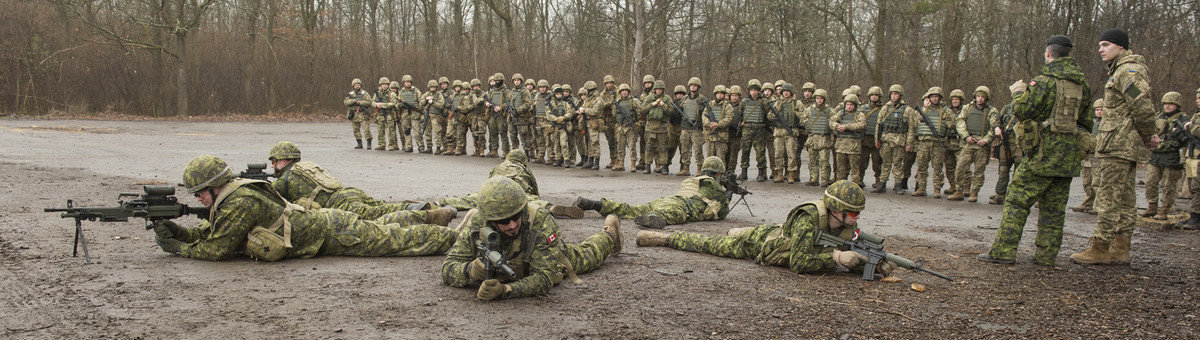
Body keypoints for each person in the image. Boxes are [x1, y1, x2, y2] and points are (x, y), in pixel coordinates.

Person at [150, 155, 458, 261]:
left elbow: (216, 249)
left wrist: (177, 248)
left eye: (200, 193)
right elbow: (215, 232)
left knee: (394, 240)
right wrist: (177, 231)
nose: (199, 199)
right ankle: (431, 215)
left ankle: (458, 239)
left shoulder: (238, 202)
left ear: (213, 185)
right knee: (384, 225)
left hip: (330, 232)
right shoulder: (233, 195)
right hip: (326, 225)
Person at [978, 34, 1092, 266]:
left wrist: (1019, 92)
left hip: (1042, 154)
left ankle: (1003, 251)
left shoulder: (1043, 81)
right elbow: (1086, 121)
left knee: (1017, 202)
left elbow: (1022, 110)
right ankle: (1046, 256)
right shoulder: (1083, 85)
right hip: (1068, 155)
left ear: (1049, 53)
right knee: (1054, 208)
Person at [635, 180, 896, 278]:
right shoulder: (809, 219)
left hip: (776, 233)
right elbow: (800, 263)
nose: (856, 218)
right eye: (852, 212)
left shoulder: (847, 225)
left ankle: (735, 231)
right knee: (709, 245)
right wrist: (837, 257)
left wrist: (872, 266)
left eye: (858, 213)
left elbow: (854, 254)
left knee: (737, 233)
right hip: (761, 244)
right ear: (836, 209)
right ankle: (666, 238)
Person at [440, 177, 621, 301]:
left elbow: (544, 278)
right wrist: (469, 270)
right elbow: (448, 267)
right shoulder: (478, 223)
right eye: (503, 221)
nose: (511, 225)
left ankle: (609, 233)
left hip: (548, 257)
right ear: (490, 219)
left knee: (586, 255)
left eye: (516, 216)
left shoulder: (541, 221)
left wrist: (506, 291)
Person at [1071, 29, 1157, 265]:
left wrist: (1150, 134)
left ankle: (1100, 248)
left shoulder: (1128, 71)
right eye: (1100, 45)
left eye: (1106, 44)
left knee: (1108, 197)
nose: (1101, 49)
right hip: (1121, 145)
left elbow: (1141, 104)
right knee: (1125, 198)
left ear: (1121, 47)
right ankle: (1120, 248)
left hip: (1119, 145)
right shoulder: (1121, 70)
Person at [266, 141, 456, 224]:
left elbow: (269, 199)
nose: (274, 165)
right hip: (348, 192)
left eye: (275, 161)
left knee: (376, 215)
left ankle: (428, 214)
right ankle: (425, 206)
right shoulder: (304, 167)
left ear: (284, 160)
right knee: (382, 207)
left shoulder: (286, 179)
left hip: (340, 202)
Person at [574, 156, 730, 229]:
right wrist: (727, 194)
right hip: (681, 206)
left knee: (633, 209)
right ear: (718, 174)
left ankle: (597, 204)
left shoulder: (694, 180)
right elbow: (722, 213)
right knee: (669, 215)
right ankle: (651, 219)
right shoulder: (715, 188)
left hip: (669, 199)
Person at [1140, 92, 1188, 220]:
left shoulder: (1183, 119)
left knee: (1169, 185)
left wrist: (1167, 144)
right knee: (1150, 182)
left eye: (1170, 104)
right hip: (1156, 156)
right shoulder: (1159, 116)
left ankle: (1164, 209)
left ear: (1177, 105)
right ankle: (1152, 206)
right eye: (1165, 103)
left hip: (1172, 157)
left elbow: (1184, 140)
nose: (1167, 106)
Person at [949, 86, 1000, 202]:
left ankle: (974, 192)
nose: (980, 99)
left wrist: (986, 140)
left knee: (979, 171)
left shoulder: (992, 111)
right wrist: (966, 136)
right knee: (960, 167)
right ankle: (958, 191)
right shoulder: (968, 108)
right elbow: (960, 122)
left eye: (982, 97)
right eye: (978, 96)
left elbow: (994, 126)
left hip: (982, 145)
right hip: (968, 143)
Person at [873, 85, 917, 194]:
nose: (893, 96)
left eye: (895, 94)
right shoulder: (885, 108)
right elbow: (878, 125)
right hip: (886, 140)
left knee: (897, 163)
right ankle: (882, 183)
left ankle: (898, 184)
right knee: (885, 163)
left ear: (900, 95)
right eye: (892, 94)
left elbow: (911, 128)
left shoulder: (907, 110)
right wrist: (877, 140)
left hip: (899, 140)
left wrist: (909, 143)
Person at [910, 87, 950, 197]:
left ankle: (937, 189)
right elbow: (914, 123)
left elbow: (951, 125)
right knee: (921, 166)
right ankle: (921, 188)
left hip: (937, 143)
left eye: (936, 97)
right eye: (932, 97)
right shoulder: (923, 111)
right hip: (923, 143)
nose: (934, 99)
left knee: (937, 167)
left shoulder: (945, 111)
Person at [1072, 99, 1104, 214]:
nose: (1099, 112)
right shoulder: (1091, 122)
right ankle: (1088, 202)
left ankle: (1099, 205)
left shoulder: (1106, 123)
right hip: (1087, 155)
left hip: (1097, 156)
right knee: (1086, 181)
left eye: (1101, 110)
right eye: (1097, 110)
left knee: (1097, 182)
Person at [769, 83, 802, 184]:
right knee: (778, 153)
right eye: (784, 91)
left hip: (791, 131)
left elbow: (804, 116)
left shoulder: (797, 103)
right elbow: (769, 116)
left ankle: (791, 174)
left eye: (788, 91)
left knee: (791, 154)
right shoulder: (778, 103)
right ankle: (779, 174)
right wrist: (776, 114)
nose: (786, 93)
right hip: (778, 132)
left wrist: (797, 114)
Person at [831, 94, 866, 187]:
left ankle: (855, 186)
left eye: (851, 104)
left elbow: (861, 125)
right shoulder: (840, 113)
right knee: (840, 168)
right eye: (847, 104)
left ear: (855, 105)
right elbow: (831, 121)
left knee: (855, 169)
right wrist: (837, 126)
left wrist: (846, 127)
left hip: (853, 146)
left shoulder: (859, 114)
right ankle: (840, 186)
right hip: (841, 145)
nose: (849, 106)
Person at [677, 77, 710, 176]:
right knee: (684, 149)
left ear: (698, 87)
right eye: (691, 85)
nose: (693, 87)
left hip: (696, 128)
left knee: (698, 150)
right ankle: (685, 168)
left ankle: (699, 169)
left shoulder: (703, 100)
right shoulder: (684, 99)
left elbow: (707, 114)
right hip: (685, 128)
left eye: (695, 85)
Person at [641, 80, 673, 174]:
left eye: (661, 89)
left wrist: (663, 105)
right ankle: (647, 166)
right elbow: (642, 110)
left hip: (662, 127)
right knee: (649, 147)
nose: (659, 91)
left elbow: (671, 112)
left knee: (663, 148)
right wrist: (653, 104)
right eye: (657, 89)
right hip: (650, 127)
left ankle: (663, 167)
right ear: (654, 89)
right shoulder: (649, 98)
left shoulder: (667, 99)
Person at [612, 83, 643, 172]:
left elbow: (641, 111)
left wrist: (637, 122)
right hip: (620, 127)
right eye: (622, 91)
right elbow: (614, 114)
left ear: (628, 92)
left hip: (630, 127)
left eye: (626, 91)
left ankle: (633, 164)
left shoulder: (634, 101)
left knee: (632, 146)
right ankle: (621, 163)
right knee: (620, 146)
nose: (624, 92)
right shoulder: (617, 102)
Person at [859, 86, 885, 188]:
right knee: (862, 161)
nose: (874, 97)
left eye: (876, 95)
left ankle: (878, 180)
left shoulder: (883, 109)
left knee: (877, 162)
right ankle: (860, 179)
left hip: (876, 139)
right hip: (864, 138)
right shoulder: (863, 108)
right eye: (872, 95)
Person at [344, 78, 374, 149]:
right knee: (355, 130)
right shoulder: (350, 94)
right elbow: (346, 102)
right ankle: (359, 143)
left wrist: (360, 102)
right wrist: (354, 101)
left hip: (363, 114)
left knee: (366, 129)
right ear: (353, 86)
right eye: (355, 85)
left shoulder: (365, 94)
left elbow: (369, 102)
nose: (357, 86)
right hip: (354, 114)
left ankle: (369, 144)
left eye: (358, 85)